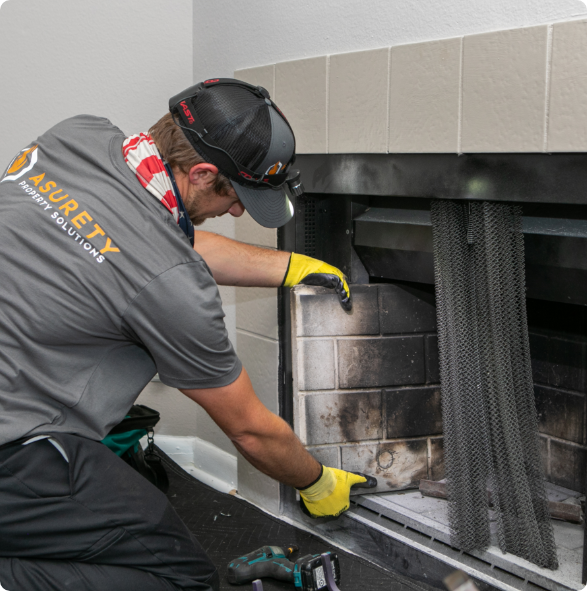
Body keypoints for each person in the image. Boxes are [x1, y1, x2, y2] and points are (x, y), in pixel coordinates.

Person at [0, 78, 369, 591]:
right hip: (13, 448)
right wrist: (317, 480)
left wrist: (291, 266)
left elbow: (155, 243)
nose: (239, 212)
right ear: (201, 174)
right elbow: (251, 430)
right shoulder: (173, 290)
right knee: (183, 580)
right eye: (237, 196)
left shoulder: (78, 137)